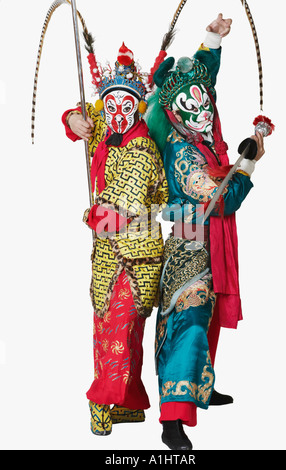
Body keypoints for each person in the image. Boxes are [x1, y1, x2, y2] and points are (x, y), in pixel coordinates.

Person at [145, 14, 265, 450]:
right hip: (191, 242)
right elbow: (223, 199)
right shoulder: (184, 154)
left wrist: (212, 36)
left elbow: (204, 76)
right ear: (172, 114)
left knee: (207, 316)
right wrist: (250, 159)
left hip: (208, 241)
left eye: (203, 100)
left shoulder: (203, 129)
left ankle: (200, 385)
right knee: (190, 322)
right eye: (188, 105)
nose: (200, 107)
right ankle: (172, 418)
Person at [62, 42, 168, 436]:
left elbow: (112, 214)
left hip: (135, 256)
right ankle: (128, 401)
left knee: (118, 330)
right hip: (107, 257)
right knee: (115, 329)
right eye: (110, 107)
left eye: (126, 106)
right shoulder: (106, 126)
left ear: (138, 106)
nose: (117, 114)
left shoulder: (141, 150)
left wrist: (88, 214)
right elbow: (78, 117)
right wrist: (75, 120)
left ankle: (102, 400)